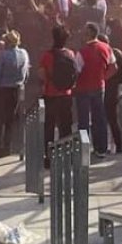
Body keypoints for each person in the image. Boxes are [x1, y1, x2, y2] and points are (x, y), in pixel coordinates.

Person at [74, 23, 116, 158]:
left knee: (84, 120)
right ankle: (101, 148)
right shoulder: (107, 48)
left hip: (83, 88)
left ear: (90, 34)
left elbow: (77, 71)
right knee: (100, 118)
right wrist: (103, 77)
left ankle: (84, 149)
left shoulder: (82, 52)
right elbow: (114, 67)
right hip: (99, 87)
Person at [0, 30, 29, 157]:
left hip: (2, 90)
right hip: (17, 90)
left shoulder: (3, 55)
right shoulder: (24, 54)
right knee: (10, 121)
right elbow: (26, 73)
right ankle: (8, 146)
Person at [39, 25, 76, 164]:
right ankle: (66, 155)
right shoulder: (70, 54)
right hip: (66, 94)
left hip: (51, 94)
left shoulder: (48, 55)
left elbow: (42, 74)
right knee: (65, 126)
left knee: (49, 126)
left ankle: (49, 157)